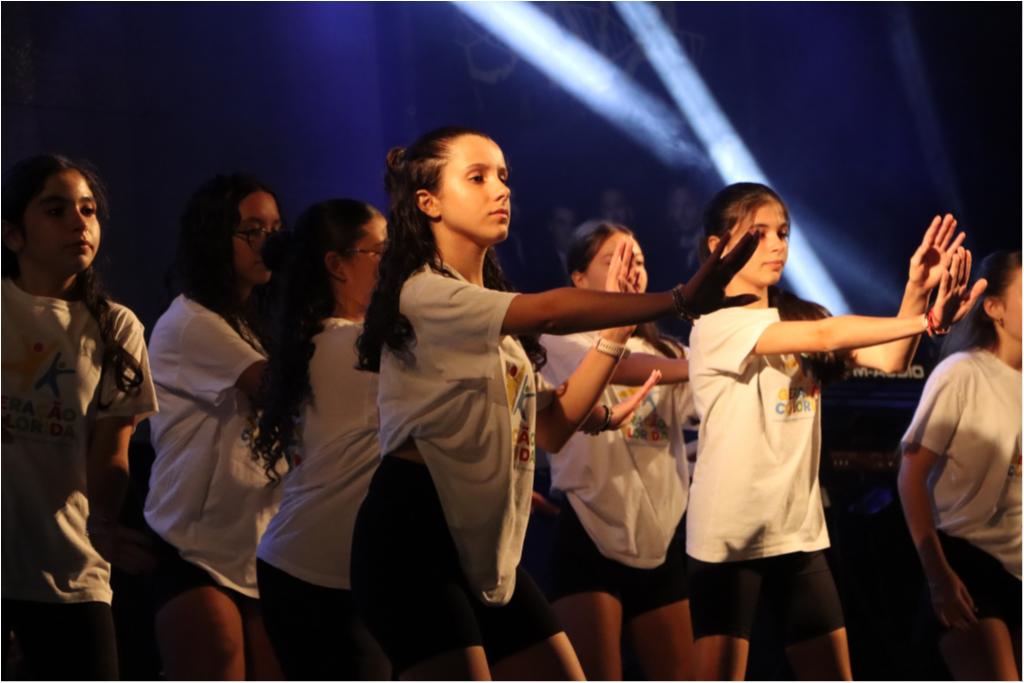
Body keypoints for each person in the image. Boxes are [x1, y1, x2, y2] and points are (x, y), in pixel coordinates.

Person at [350, 125, 759, 680]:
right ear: (429, 203)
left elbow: (553, 426)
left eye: (503, 176)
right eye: (477, 177)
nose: (501, 189)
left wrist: (616, 336)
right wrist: (679, 299)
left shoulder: (488, 319)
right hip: (414, 533)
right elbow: (548, 312)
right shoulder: (426, 292)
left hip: (481, 540)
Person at [685, 182, 984, 680]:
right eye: (758, 234)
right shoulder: (714, 325)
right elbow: (827, 336)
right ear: (718, 246)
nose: (777, 245)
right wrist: (930, 320)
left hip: (799, 535)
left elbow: (891, 359)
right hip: (729, 540)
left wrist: (915, 291)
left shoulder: (799, 316)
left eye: (783, 233)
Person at [1, 154, 158, 679]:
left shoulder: (116, 327)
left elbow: (111, 451)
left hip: (73, 572)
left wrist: (105, 524)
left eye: (88, 210)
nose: (79, 222)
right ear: (12, 234)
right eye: (56, 210)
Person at [539, 219, 699, 680]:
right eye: (614, 260)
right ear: (578, 278)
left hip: (660, 536)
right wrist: (704, 365)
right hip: (589, 529)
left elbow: (704, 400)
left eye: (638, 260)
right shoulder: (560, 340)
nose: (630, 269)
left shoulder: (671, 352)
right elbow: (622, 366)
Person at [144, 173, 284, 680]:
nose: (268, 242)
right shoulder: (190, 322)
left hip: (258, 548)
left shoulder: (257, 324)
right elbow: (274, 388)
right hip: (196, 547)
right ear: (213, 237)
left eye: (275, 229)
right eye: (252, 230)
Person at [251, 199, 391, 680]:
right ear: (337, 265)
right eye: (382, 252)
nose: (395, 265)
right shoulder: (353, 347)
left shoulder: (329, 340)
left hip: (316, 569)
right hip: (317, 577)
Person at [898, 250, 1020, 680]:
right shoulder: (962, 373)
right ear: (995, 308)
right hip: (967, 562)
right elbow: (910, 477)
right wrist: (938, 575)